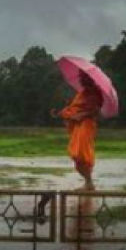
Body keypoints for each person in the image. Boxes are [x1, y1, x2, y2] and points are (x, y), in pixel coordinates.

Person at [37, 72, 103, 219]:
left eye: (84, 78)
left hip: (86, 125)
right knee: (76, 155)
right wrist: (61, 113)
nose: (82, 81)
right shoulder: (82, 93)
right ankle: (88, 183)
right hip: (78, 125)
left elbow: (95, 111)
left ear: (90, 79)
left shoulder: (96, 93)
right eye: (81, 79)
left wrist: (82, 115)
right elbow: (74, 109)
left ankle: (89, 183)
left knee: (81, 153)